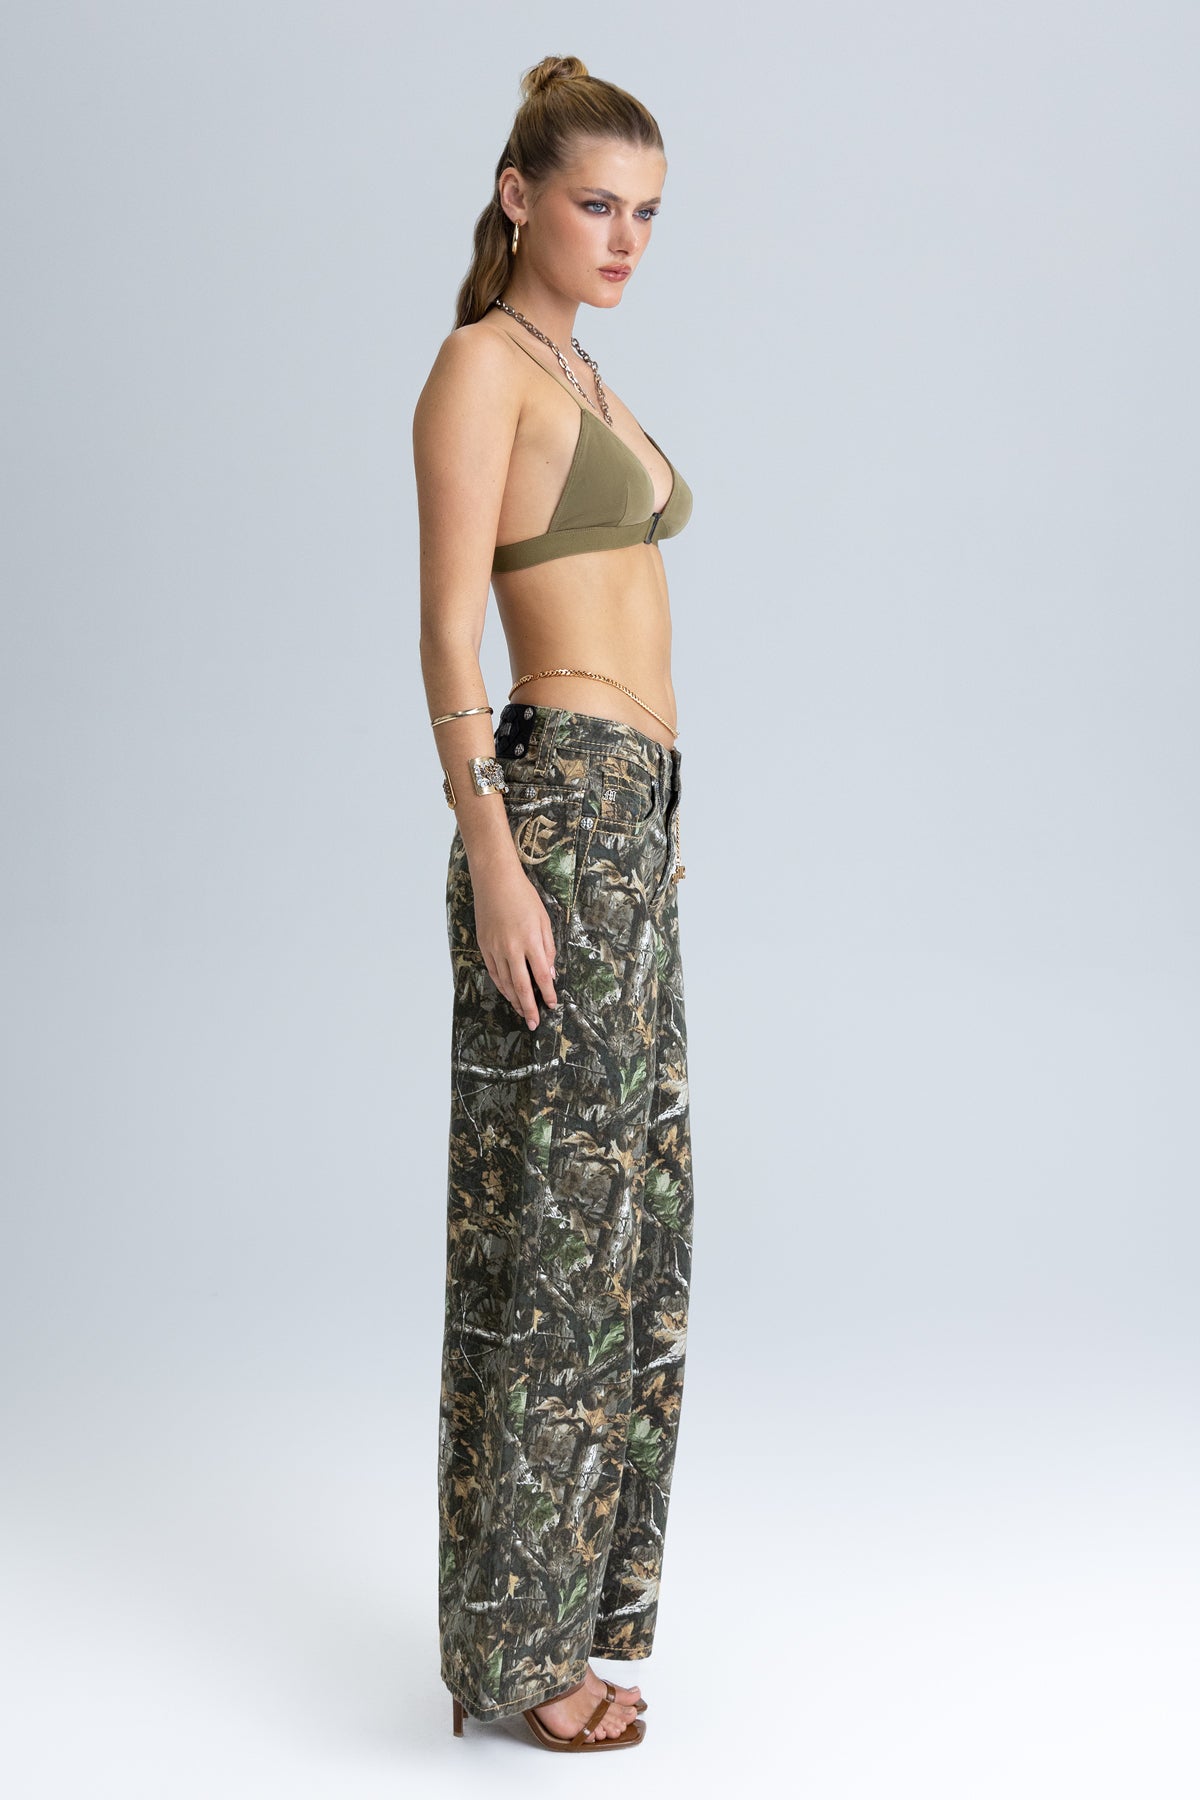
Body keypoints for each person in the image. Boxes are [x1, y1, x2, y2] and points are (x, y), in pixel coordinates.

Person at [412, 53, 696, 1754]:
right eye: (597, 203)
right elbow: (448, 628)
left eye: (647, 212)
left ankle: (570, 1616)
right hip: (557, 818)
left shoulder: (583, 371)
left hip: (635, 824)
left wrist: (632, 833)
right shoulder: (479, 369)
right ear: (519, 197)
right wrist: (496, 848)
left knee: (635, 1237)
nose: (624, 236)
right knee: (552, 1239)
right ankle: (516, 1655)